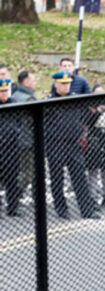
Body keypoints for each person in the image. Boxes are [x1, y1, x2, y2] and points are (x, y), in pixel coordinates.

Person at [46, 72, 100, 220]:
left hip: (73, 144)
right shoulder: (49, 102)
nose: (66, 86)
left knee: (79, 178)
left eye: (68, 83)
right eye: (63, 83)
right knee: (57, 179)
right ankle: (61, 210)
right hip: (55, 145)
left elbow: (86, 117)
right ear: (56, 84)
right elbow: (43, 125)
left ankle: (86, 210)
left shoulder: (76, 99)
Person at [11, 70, 37, 198]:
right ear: (26, 82)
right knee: (28, 172)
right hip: (28, 141)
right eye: (33, 80)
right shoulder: (28, 99)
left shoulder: (15, 94)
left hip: (19, 139)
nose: (35, 82)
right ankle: (15, 195)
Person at [0, 76, 23, 217]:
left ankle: (13, 207)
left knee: (12, 179)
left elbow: (19, 121)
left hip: (12, 147)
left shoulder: (14, 103)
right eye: (2, 91)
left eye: (6, 91)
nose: (4, 93)